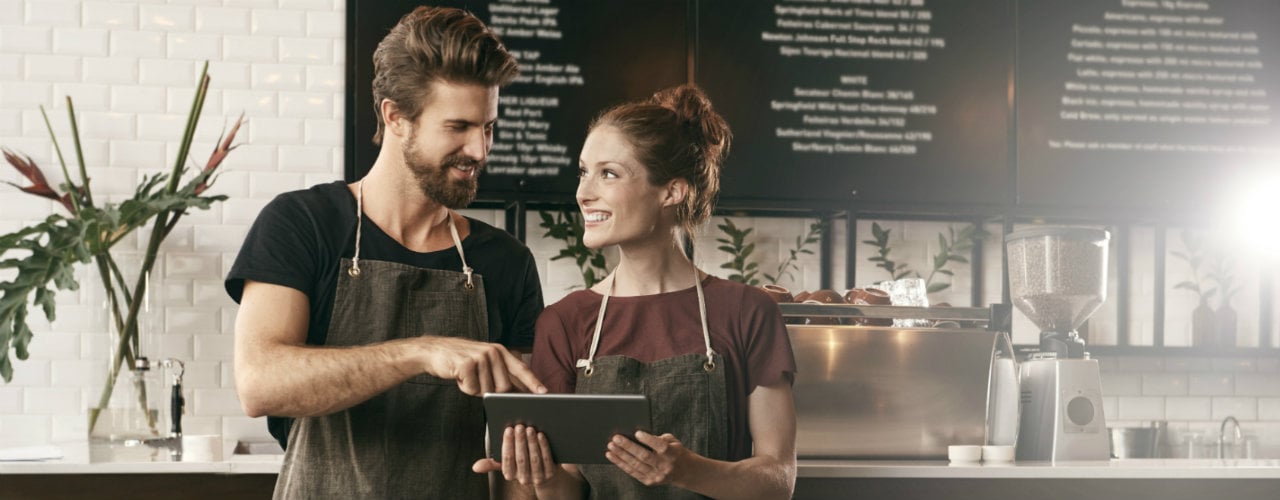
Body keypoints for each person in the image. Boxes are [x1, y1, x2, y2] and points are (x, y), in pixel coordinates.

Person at [225, 6, 546, 499]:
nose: (480, 151)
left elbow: (516, 447)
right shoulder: (303, 223)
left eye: (488, 128)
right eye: (458, 126)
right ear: (395, 117)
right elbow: (260, 382)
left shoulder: (506, 262)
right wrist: (421, 351)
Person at [475, 85, 797, 499]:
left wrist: (689, 470)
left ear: (672, 191)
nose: (583, 193)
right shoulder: (565, 321)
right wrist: (540, 476)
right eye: (583, 171)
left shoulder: (747, 312)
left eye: (608, 173)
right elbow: (569, 490)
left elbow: (779, 480)